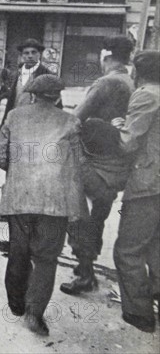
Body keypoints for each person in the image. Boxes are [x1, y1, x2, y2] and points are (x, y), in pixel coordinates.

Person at [0, 74, 85, 336]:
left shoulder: (15, 116)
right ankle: (34, 314)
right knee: (46, 258)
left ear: (31, 95)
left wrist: (20, 171)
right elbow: (78, 166)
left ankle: (16, 304)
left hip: (19, 198)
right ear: (57, 97)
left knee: (18, 251)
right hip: (54, 202)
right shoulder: (71, 121)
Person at [60, 36, 135, 296]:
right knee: (97, 218)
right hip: (119, 166)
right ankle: (86, 268)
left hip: (94, 162)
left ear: (106, 56)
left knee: (77, 214)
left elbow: (75, 118)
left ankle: (85, 272)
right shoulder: (132, 82)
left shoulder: (106, 82)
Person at [107, 50, 160, 333]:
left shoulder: (145, 95)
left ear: (139, 72)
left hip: (147, 184)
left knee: (128, 250)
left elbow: (128, 143)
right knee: (156, 246)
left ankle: (140, 312)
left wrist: (117, 128)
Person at [0, 39, 58, 131]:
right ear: (22, 56)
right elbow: (11, 102)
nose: (30, 56)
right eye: (26, 53)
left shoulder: (48, 76)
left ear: (40, 54)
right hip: (14, 124)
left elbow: (57, 106)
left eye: (34, 52)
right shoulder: (15, 74)